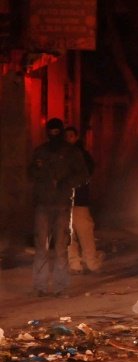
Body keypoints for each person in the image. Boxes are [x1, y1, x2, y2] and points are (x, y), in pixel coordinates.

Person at [27, 118, 88, 297]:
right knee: (41, 247)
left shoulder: (71, 153)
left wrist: (66, 183)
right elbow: (30, 172)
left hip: (62, 204)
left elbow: (83, 174)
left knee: (61, 247)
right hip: (43, 204)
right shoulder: (41, 151)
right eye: (50, 132)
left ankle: (61, 286)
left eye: (56, 132)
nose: (53, 135)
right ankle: (40, 286)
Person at [64, 126, 103, 274]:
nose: (68, 139)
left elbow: (87, 173)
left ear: (76, 137)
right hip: (65, 201)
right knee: (69, 234)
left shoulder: (82, 155)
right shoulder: (60, 155)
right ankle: (74, 263)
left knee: (85, 232)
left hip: (80, 200)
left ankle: (91, 262)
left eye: (71, 136)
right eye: (66, 136)